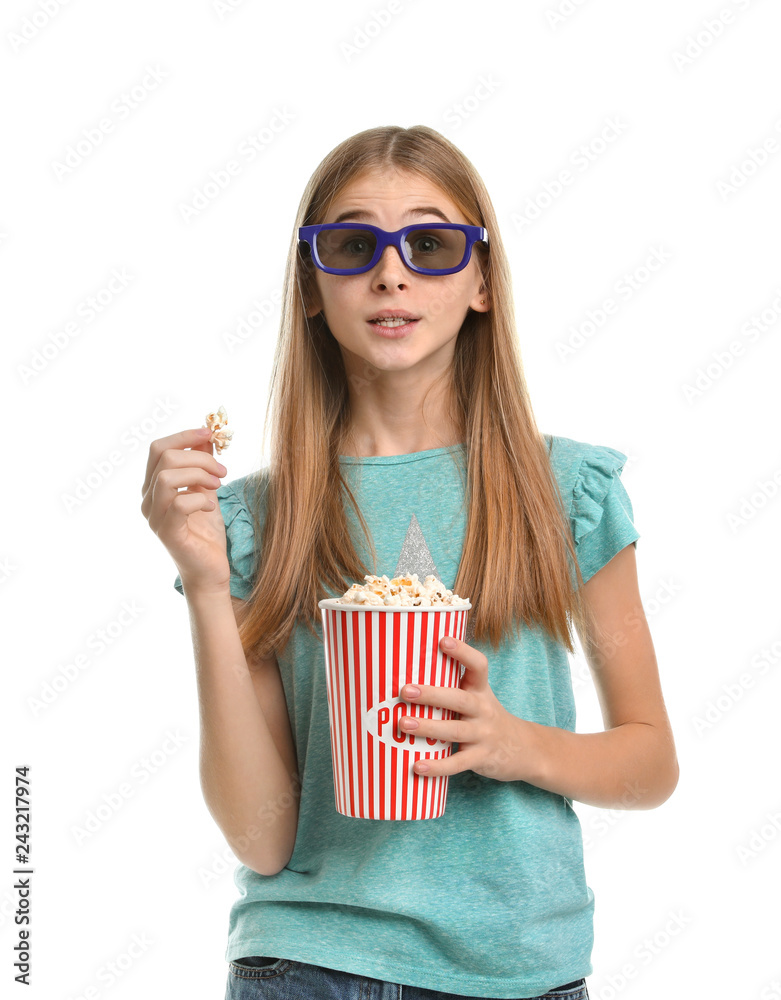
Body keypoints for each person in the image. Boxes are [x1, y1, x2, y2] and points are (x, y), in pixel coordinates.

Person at [140, 125, 679, 1000]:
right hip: (307, 962)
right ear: (311, 287)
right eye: (353, 246)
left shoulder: (565, 491)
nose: (391, 274)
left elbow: (649, 763)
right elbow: (261, 839)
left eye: (429, 245)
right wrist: (205, 584)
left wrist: (514, 744)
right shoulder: (251, 523)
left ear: (481, 281)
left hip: (518, 969)